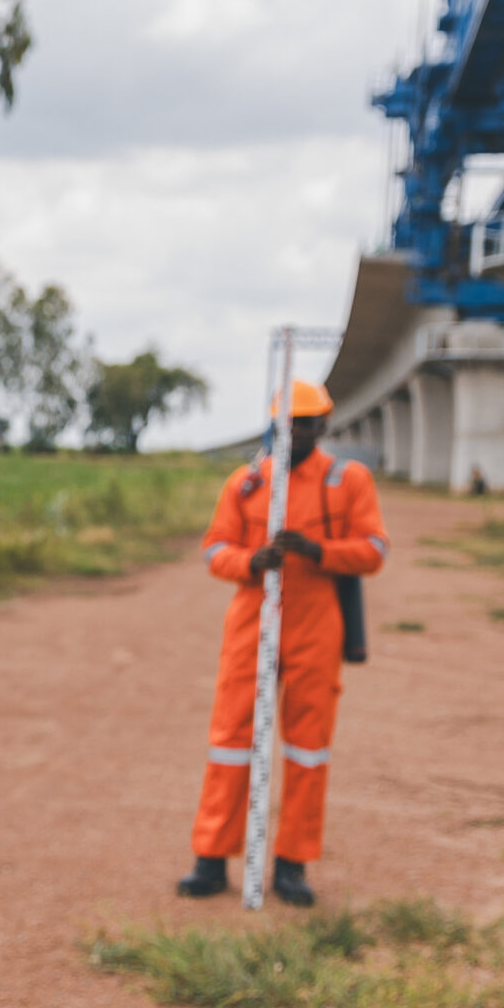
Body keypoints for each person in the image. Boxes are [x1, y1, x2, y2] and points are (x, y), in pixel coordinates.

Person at [176, 379, 388, 908]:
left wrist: (321, 551)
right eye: (288, 423)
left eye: (307, 423)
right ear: (275, 424)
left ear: (324, 424)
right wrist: (251, 562)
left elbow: (374, 548)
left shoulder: (349, 480)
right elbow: (214, 548)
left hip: (317, 623)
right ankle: (210, 859)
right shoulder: (247, 484)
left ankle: (292, 865)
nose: (296, 431)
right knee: (230, 739)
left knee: (306, 746)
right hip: (253, 621)